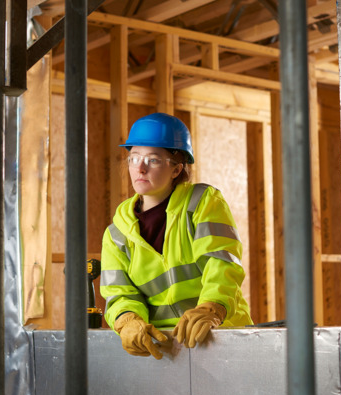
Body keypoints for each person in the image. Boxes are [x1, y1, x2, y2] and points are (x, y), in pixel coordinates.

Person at [100, 112, 253, 359]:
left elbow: (221, 263)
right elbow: (119, 294)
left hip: (222, 341)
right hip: (164, 350)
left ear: (176, 169)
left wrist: (211, 308)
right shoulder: (116, 235)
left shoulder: (202, 203)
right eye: (134, 158)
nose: (140, 167)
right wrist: (127, 320)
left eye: (153, 160)